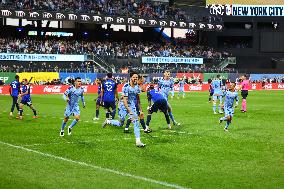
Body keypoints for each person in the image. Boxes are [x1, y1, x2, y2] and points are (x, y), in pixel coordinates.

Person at [102, 72, 146, 147]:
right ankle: (108, 121)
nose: (135, 79)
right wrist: (128, 109)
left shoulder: (137, 87)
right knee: (120, 123)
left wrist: (140, 110)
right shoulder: (126, 86)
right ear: (131, 78)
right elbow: (125, 100)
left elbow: (138, 99)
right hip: (123, 105)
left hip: (131, 105)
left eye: (136, 77)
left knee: (136, 122)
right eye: (134, 77)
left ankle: (138, 141)